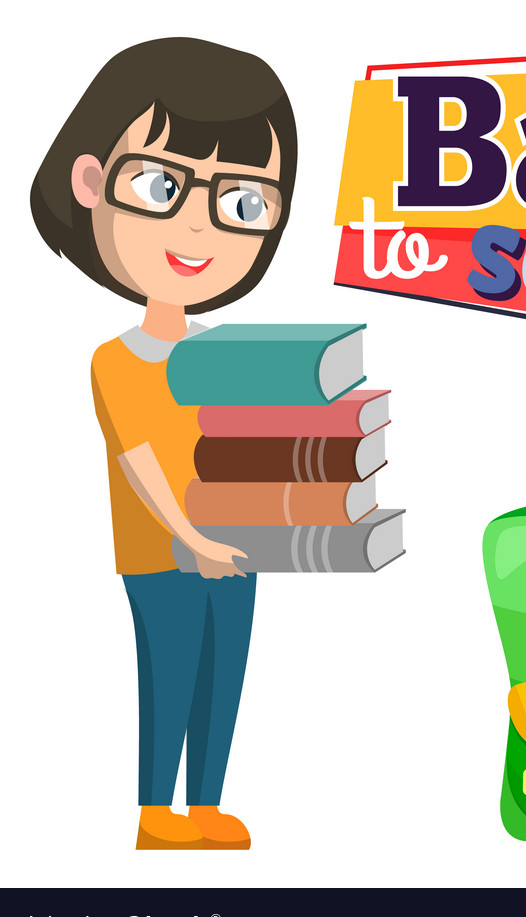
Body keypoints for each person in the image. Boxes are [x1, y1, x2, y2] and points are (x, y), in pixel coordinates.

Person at [30, 37, 297, 849]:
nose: (197, 226)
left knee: (226, 681)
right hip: (161, 552)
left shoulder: (224, 354)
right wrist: (191, 538)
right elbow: (139, 460)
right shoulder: (116, 359)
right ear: (89, 183)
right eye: (162, 185)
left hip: (241, 545)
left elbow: (254, 443)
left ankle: (207, 806)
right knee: (171, 676)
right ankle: (155, 815)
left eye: (243, 202)